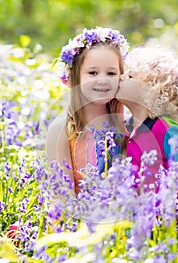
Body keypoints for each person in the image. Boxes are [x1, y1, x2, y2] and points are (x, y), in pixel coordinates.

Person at [46, 27, 129, 194]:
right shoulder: (62, 129)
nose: (103, 80)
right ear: (75, 77)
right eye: (93, 72)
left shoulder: (127, 126)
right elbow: (62, 198)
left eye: (111, 73)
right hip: (78, 217)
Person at [116, 46, 178, 190]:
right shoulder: (128, 129)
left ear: (150, 91)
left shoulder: (166, 129)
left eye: (130, 76)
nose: (121, 77)